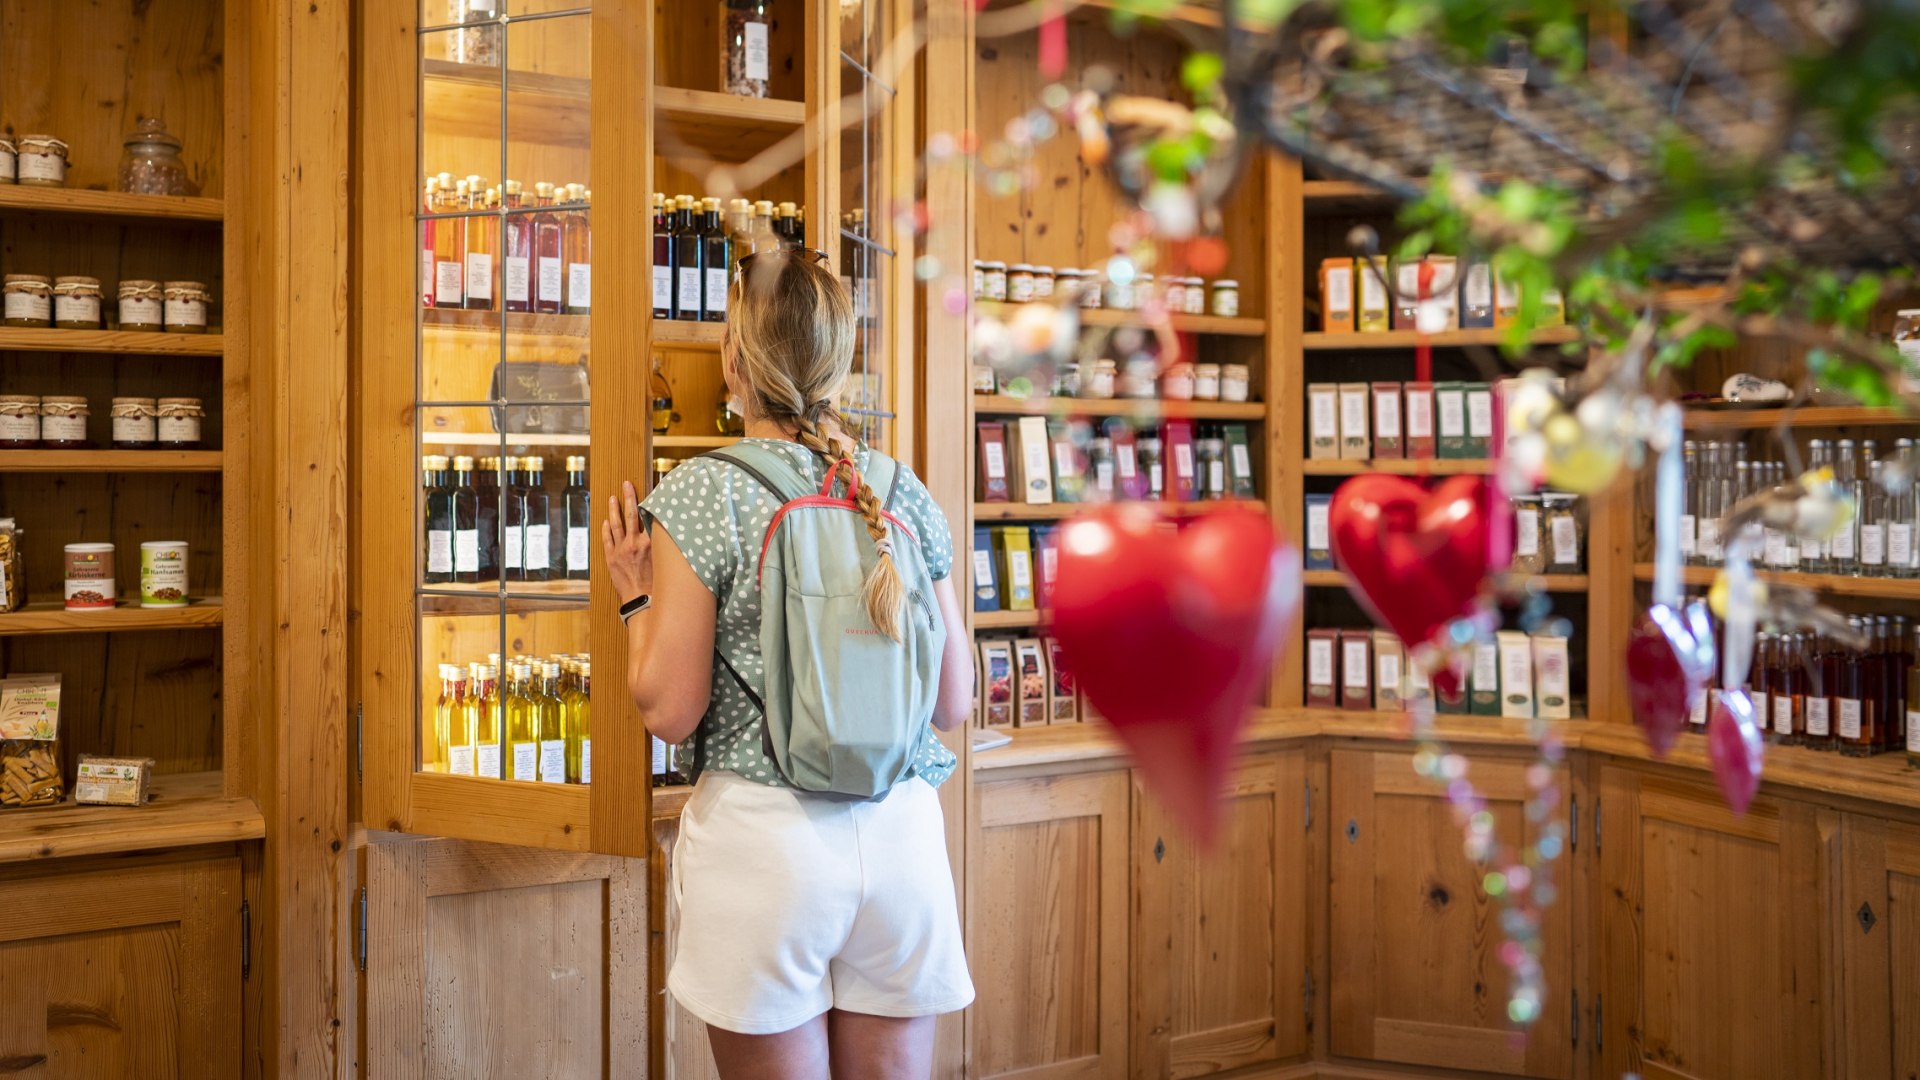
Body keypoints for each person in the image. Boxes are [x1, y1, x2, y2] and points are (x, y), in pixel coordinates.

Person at [602, 248, 976, 1080]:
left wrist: (635, 597)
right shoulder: (901, 490)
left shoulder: (706, 490)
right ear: (840, 360)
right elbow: (955, 698)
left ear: (733, 362)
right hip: (903, 837)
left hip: (766, 852)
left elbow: (670, 710)